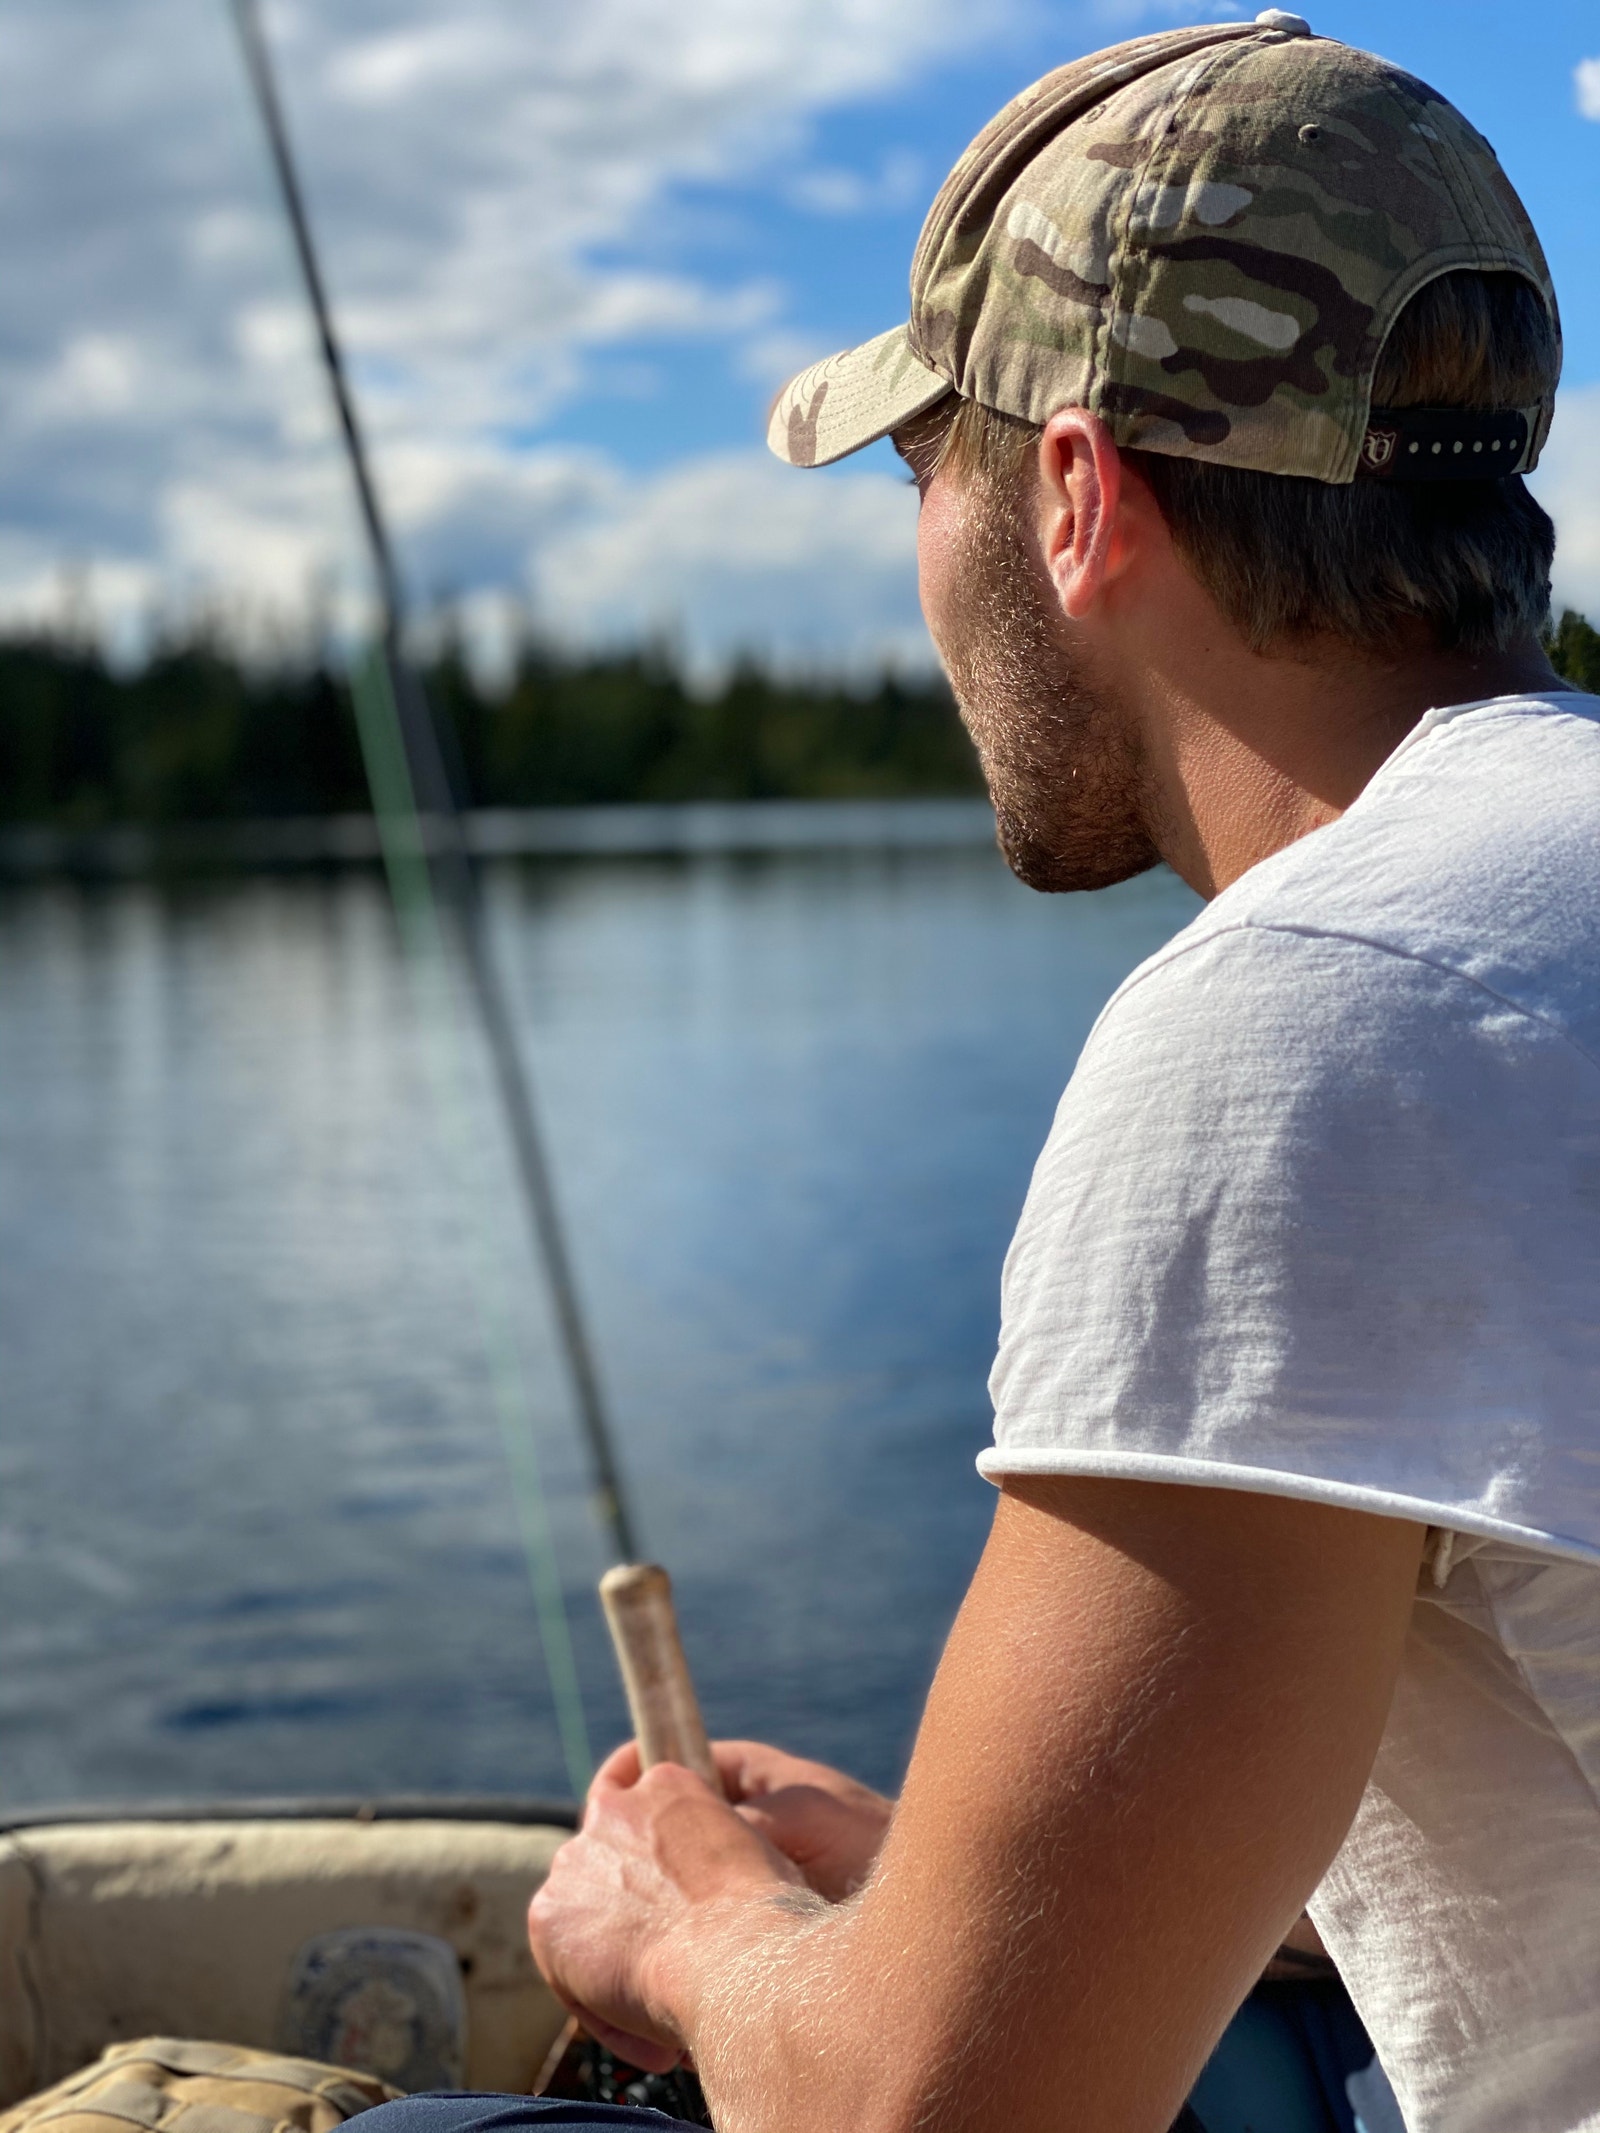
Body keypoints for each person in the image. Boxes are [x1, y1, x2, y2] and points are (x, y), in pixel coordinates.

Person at [365, 15, 1600, 2133]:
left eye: (919, 466)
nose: (915, 559)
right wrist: (954, 1879)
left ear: (1068, 493)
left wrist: (691, 1929)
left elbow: (925, 2118)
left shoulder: (1310, 1012)